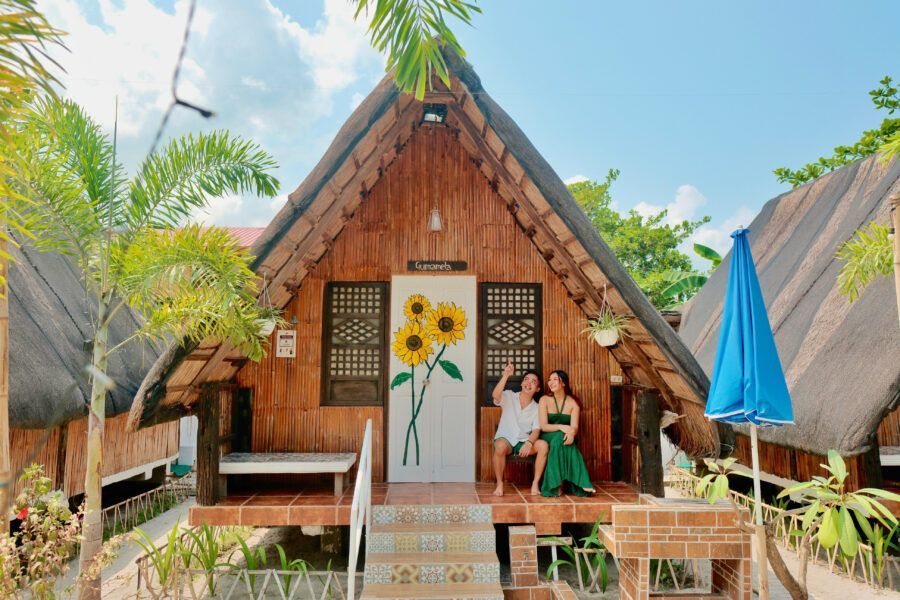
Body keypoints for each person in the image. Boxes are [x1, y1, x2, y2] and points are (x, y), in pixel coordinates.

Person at [491, 361, 549, 496]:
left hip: (523, 441)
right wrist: (506, 375)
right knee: (499, 446)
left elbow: (536, 430)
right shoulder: (509, 395)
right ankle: (499, 484)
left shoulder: (537, 407)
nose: (528, 383)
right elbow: (495, 395)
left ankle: (535, 483)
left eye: (533, 382)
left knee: (543, 446)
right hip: (506, 440)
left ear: (538, 389)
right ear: (522, 383)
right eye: (526, 380)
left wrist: (529, 443)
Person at [538, 370, 595, 497]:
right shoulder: (544, 400)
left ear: (563, 383)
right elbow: (544, 426)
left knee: (562, 441)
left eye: (554, 379)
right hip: (547, 435)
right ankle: (582, 482)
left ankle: (555, 485)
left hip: (563, 438)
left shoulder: (573, 403)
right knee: (559, 438)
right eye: (549, 379)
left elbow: (574, 427)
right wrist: (562, 427)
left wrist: (570, 434)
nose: (550, 382)